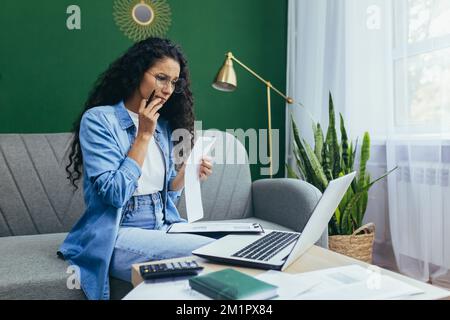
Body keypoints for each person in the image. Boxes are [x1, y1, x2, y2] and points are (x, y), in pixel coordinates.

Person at [58, 37, 215, 300]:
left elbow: (166, 196)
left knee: (237, 242)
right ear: (136, 73)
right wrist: (143, 135)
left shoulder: (162, 125)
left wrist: (186, 175)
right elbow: (114, 194)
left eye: (174, 82)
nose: (168, 89)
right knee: (213, 250)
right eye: (161, 78)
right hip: (118, 233)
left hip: (162, 225)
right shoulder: (99, 120)